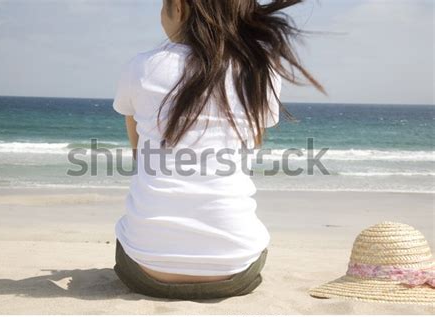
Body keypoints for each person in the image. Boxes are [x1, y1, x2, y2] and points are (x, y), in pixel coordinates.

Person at [112, 0, 326, 300]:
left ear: (178, 8)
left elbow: (141, 156)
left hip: (146, 272)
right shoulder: (259, 69)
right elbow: (252, 141)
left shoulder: (141, 67)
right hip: (235, 271)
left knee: (126, 233)